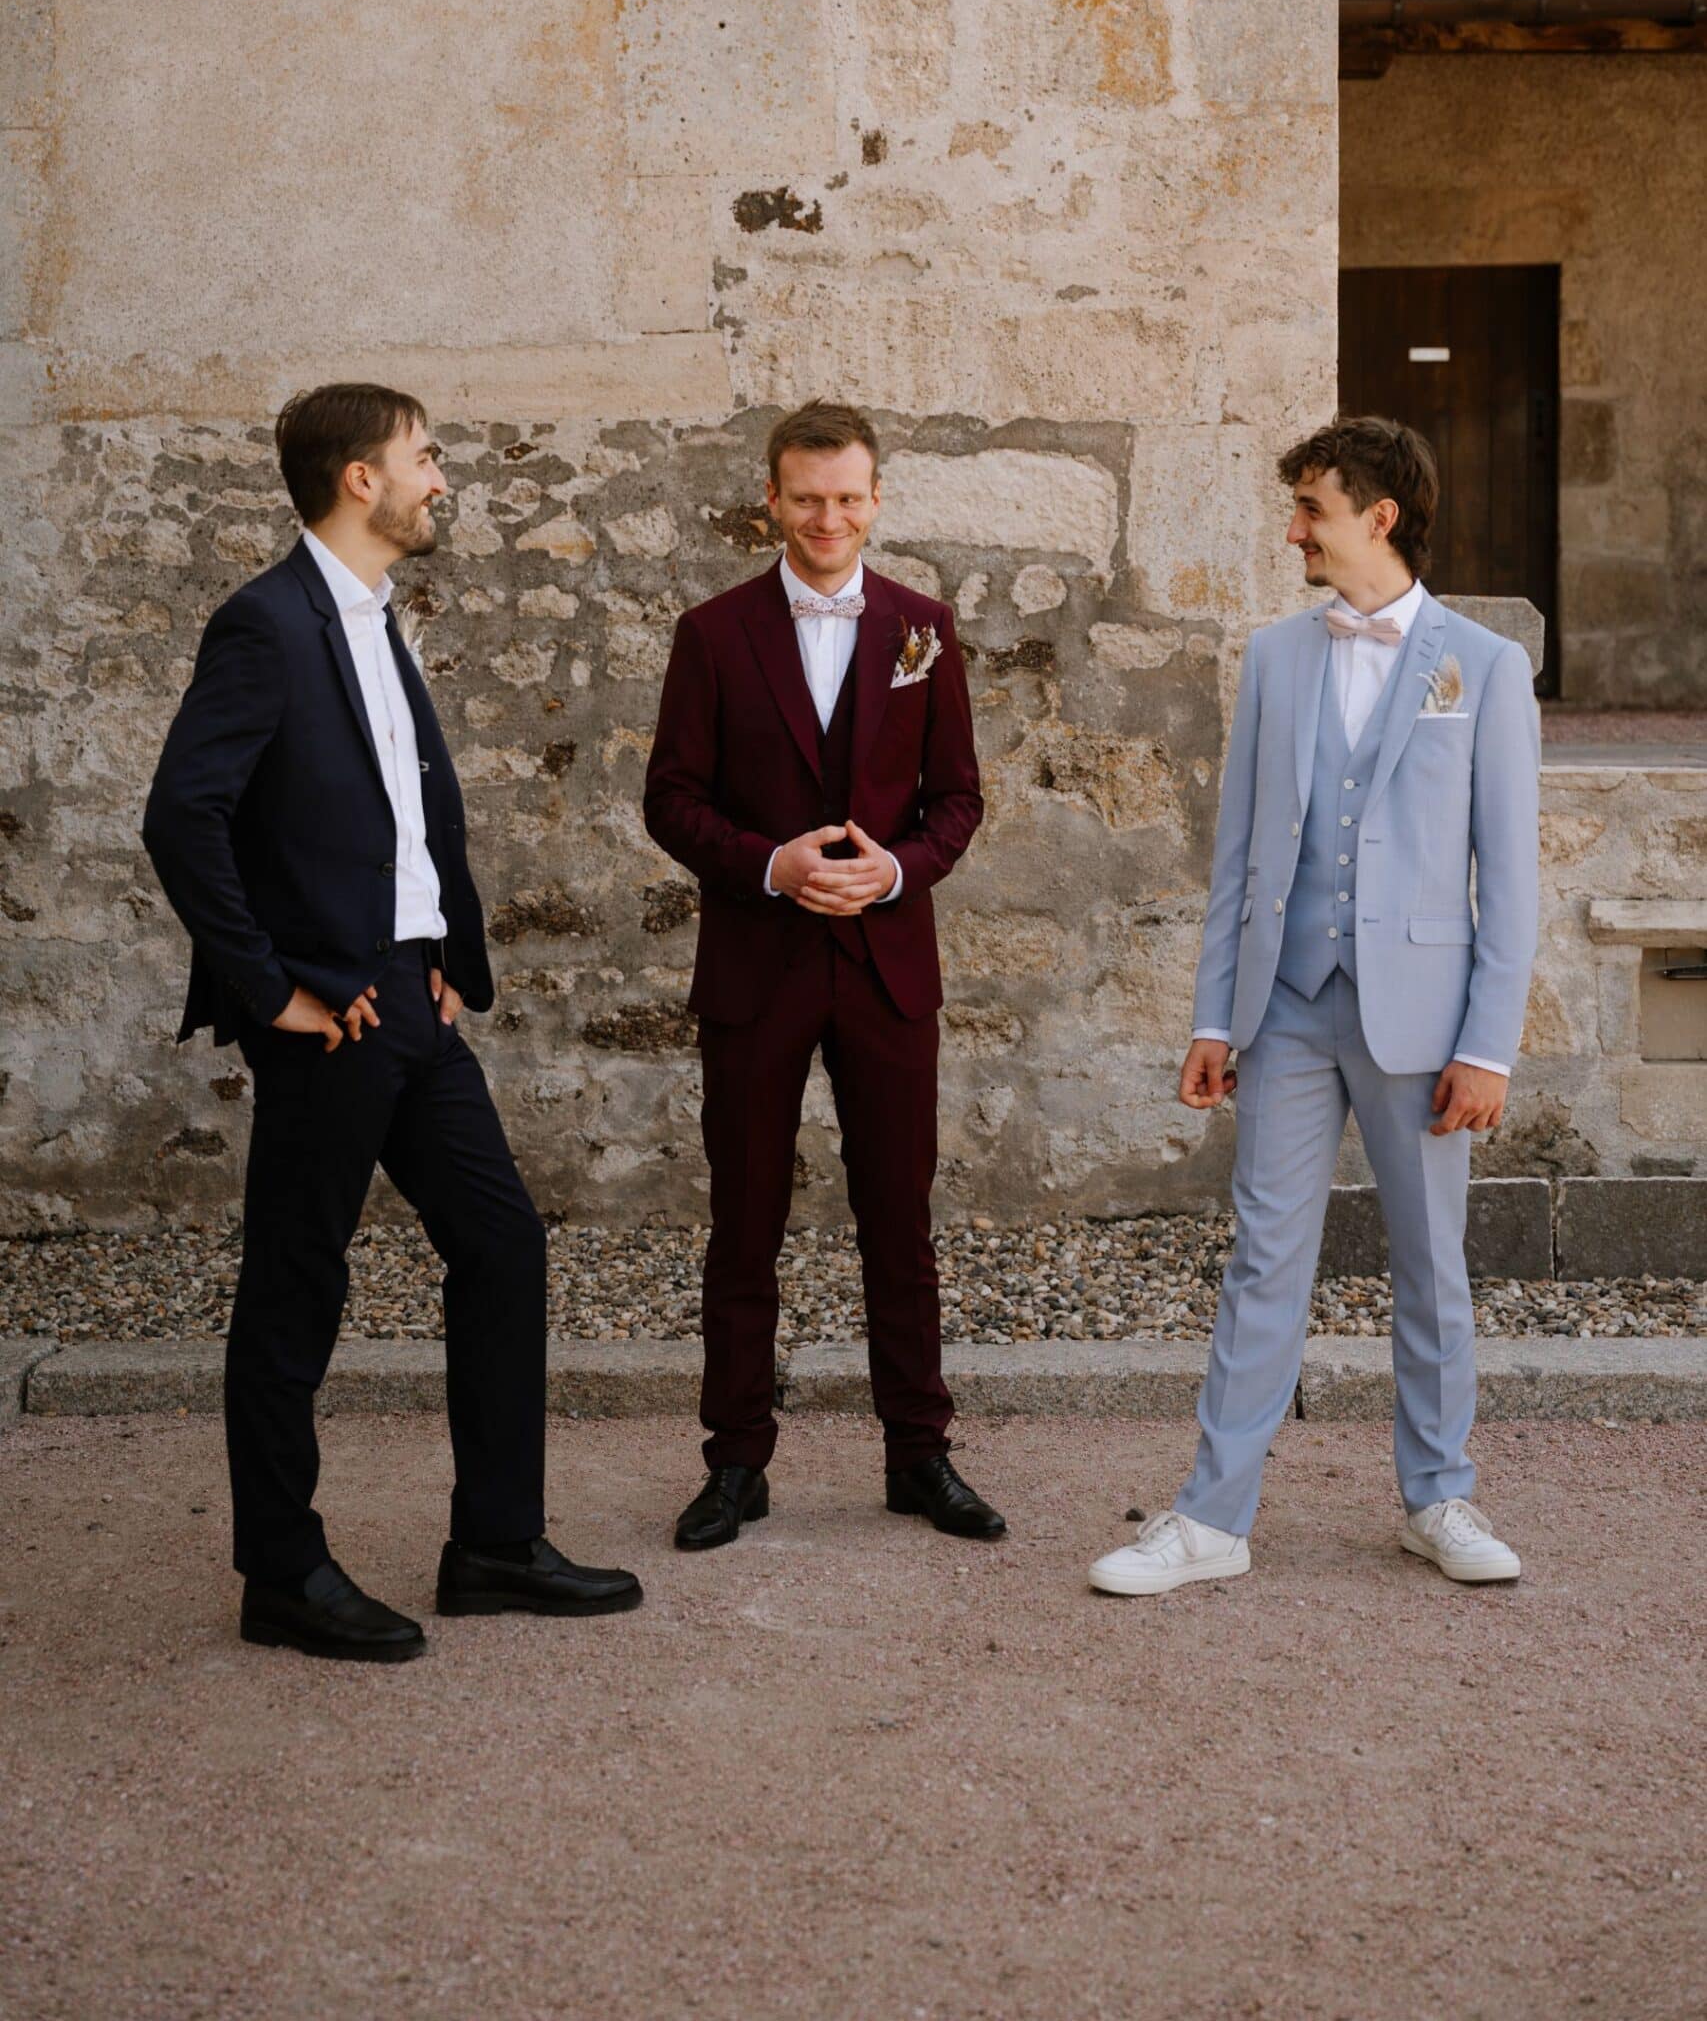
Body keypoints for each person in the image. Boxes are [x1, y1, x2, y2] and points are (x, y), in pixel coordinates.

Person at [143, 382, 642, 1660]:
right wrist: (273, 988)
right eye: (424, 456)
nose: (440, 477)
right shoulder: (266, 623)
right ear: (360, 477)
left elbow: (397, 818)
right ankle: (282, 1573)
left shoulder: (372, 615)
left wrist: (442, 952)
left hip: (414, 999)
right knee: (297, 1285)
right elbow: (183, 817)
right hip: (332, 1018)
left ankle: (495, 1543)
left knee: (502, 1243)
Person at [1090, 415, 1539, 1597]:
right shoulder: (1277, 658)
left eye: (1311, 509)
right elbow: (1240, 854)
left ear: (1378, 518)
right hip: (1285, 1007)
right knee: (1263, 1258)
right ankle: (1212, 1517)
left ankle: (1438, 1497)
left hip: (1423, 1021)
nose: (1293, 530)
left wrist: (1489, 1045)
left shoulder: (1486, 666)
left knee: (1431, 1262)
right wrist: (1213, 1019)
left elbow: (1510, 878)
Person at [643, 399, 1003, 1550]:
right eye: (807, 498)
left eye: (848, 497)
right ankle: (735, 1462)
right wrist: (770, 864)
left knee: (899, 1218)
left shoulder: (922, 629)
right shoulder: (713, 633)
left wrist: (897, 871)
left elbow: (958, 798)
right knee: (744, 1221)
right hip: (758, 966)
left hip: (888, 970)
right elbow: (671, 798)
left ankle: (919, 1453)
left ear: (876, 499)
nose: (828, 517)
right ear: (773, 499)